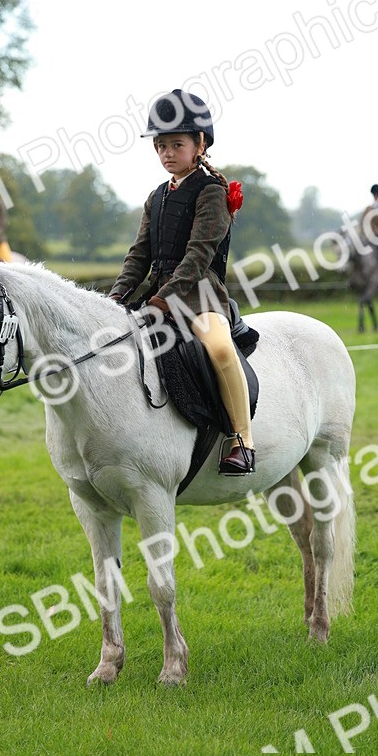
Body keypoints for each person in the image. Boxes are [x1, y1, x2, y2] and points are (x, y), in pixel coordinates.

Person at [109, 89, 255, 475]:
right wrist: (119, 293)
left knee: (220, 349)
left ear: (200, 143)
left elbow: (197, 256)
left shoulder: (211, 192)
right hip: (157, 295)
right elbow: (139, 255)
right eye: (160, 146)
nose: (167, 153)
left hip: (201, 296)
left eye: (176, 144)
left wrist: (164, 299)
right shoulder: (156, 197)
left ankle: (241, 439)